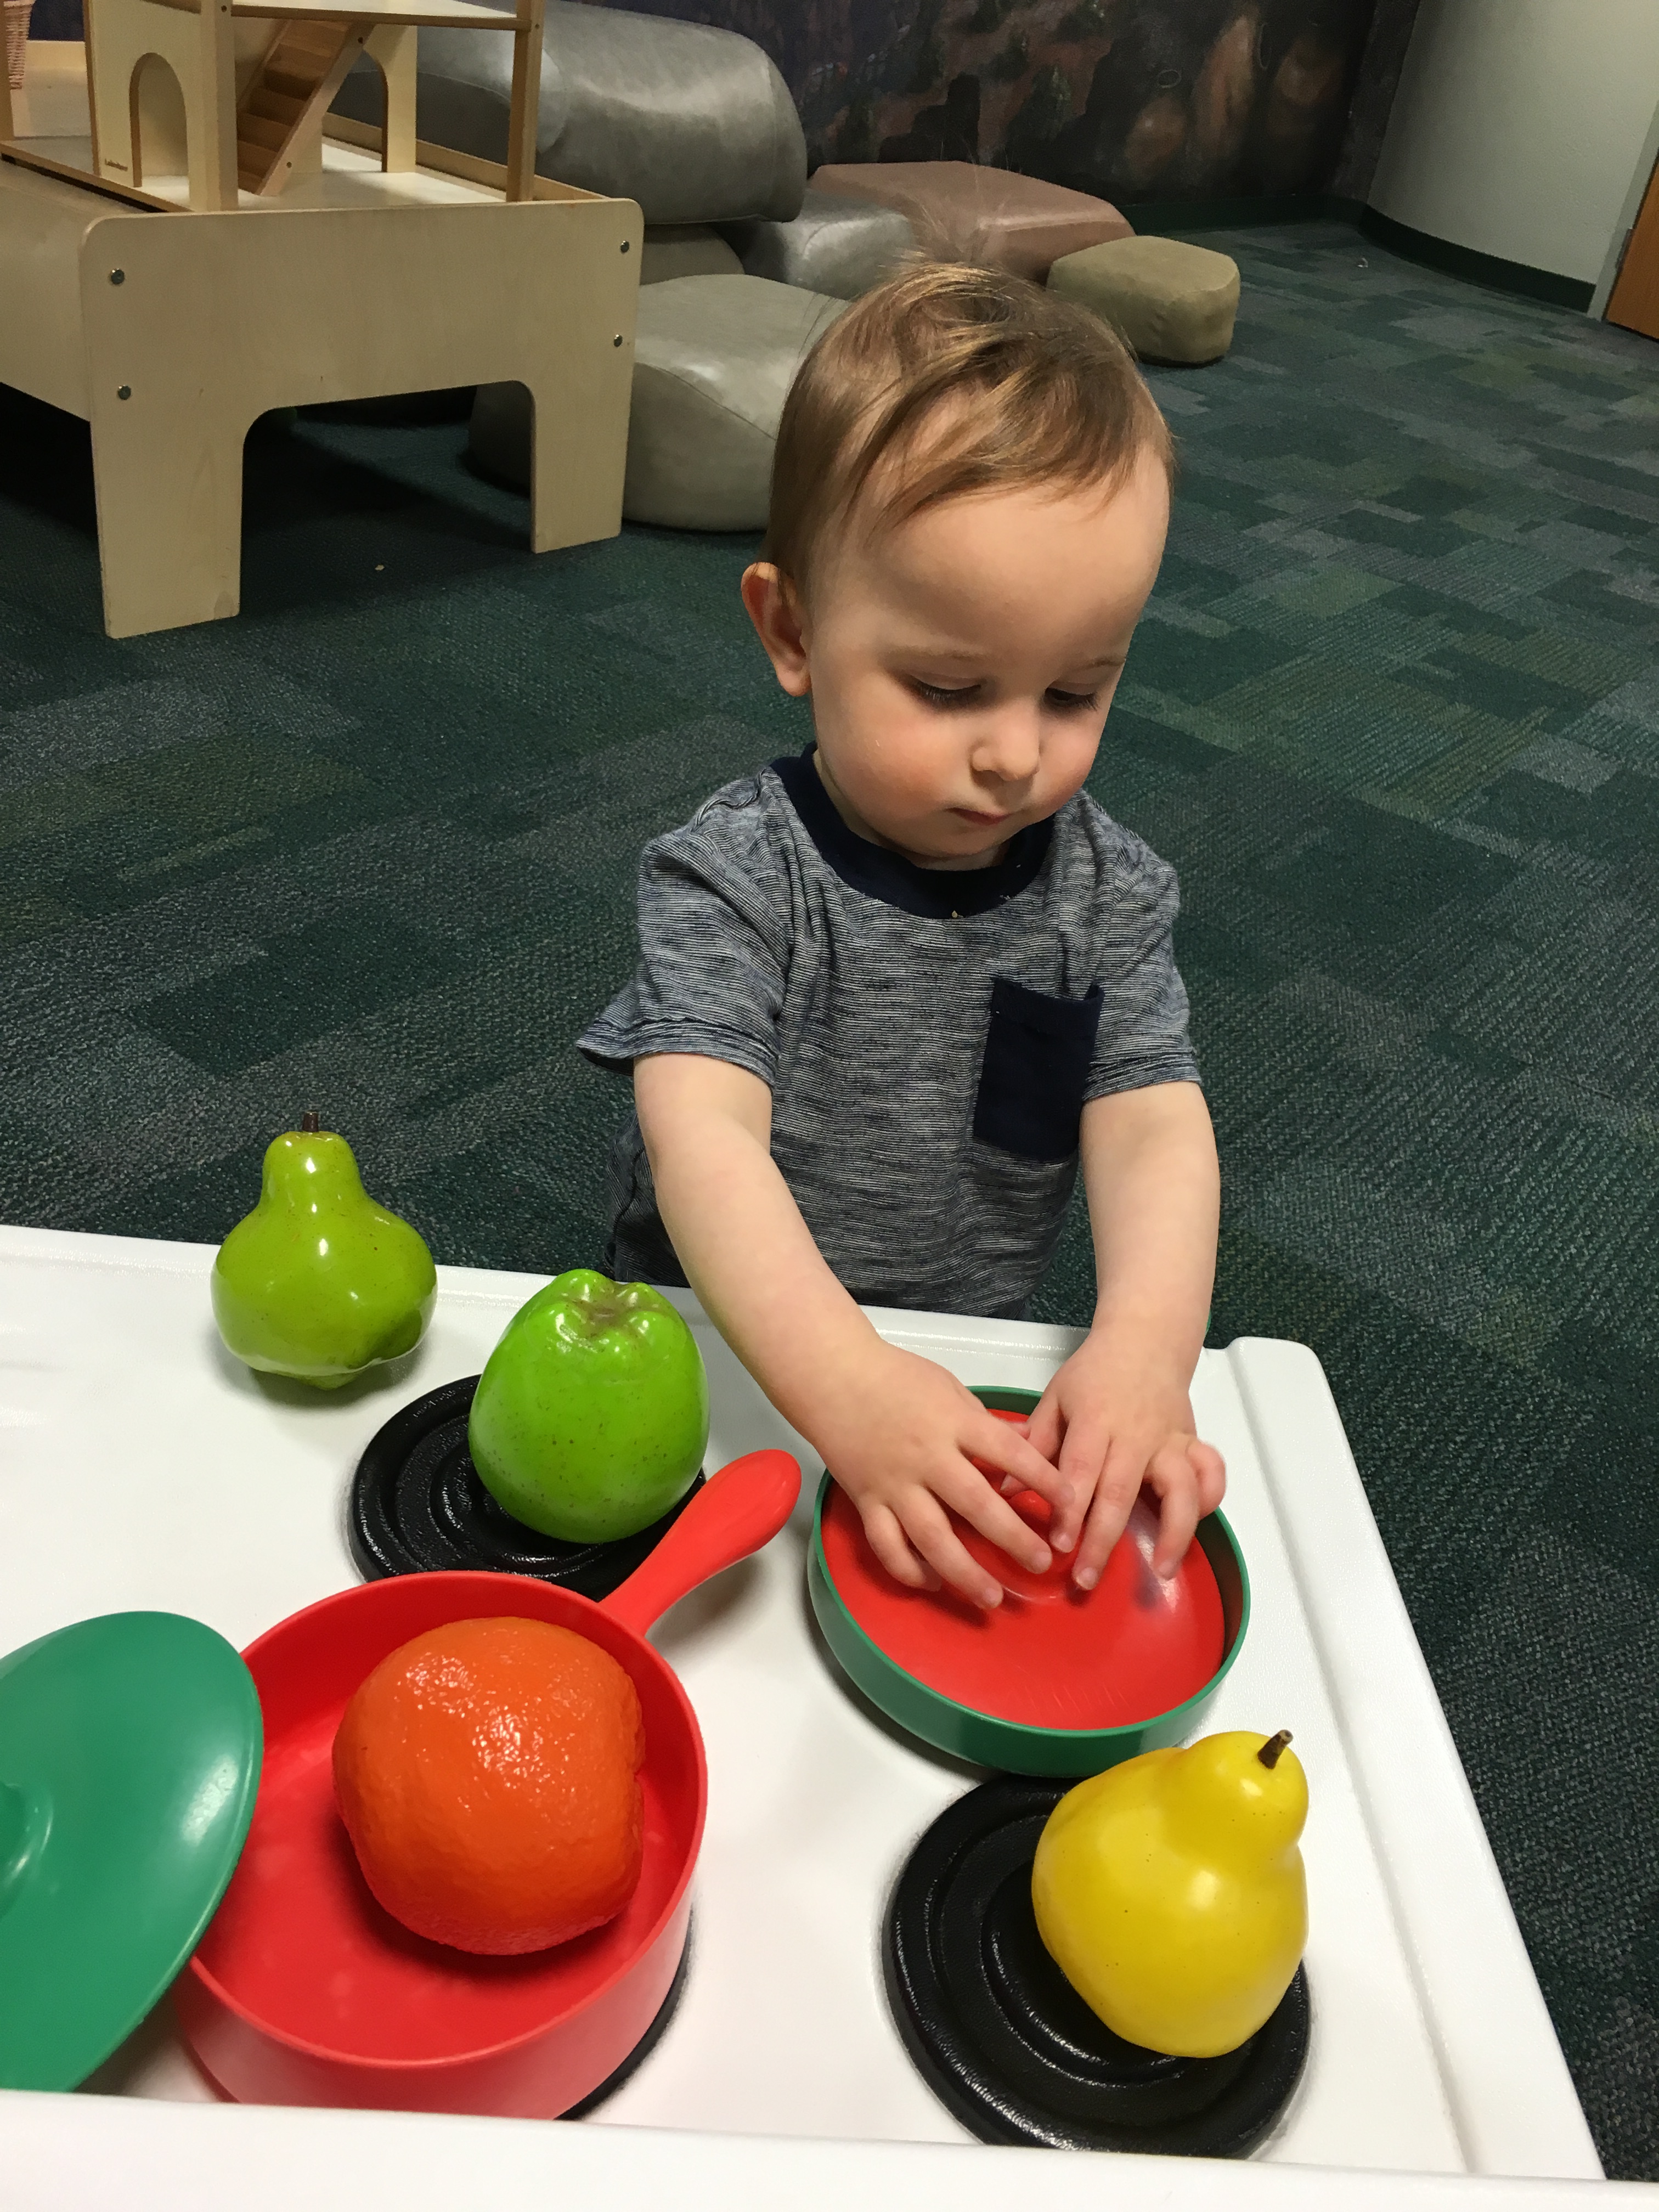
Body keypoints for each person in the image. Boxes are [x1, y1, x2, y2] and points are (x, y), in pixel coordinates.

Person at [579, 261, 1224, 1611]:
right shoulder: (734, 878)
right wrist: (848, 1385)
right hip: (721, 1352)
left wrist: (1146, 1352)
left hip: (959, 1358)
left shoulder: (1108, 892)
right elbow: (702, 1145)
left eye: (1076, 691)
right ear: (793, 630)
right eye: (946, 686)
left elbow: (1153, 1126)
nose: (1015, 755)